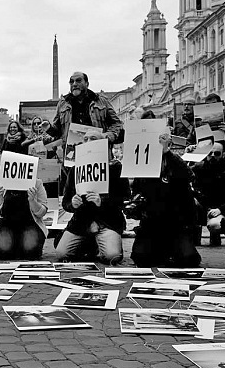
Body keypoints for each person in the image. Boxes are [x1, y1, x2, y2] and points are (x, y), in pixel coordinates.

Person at [56, 130, 130, 264]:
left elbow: (125, 198)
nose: (88, 142)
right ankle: (90, 245)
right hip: (81, 223)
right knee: (61, 253)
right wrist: (73, 203)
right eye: (85, 139)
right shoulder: (75, 170)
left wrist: (102, 201)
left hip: (107, 222)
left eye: (93, 138)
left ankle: (101, 244)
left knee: (112, 256)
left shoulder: (116, 168)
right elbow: (66, 202)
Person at [130, 131, 201, 268]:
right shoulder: (143, 163)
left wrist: (166, 152)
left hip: (175, 221)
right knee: (141, 258)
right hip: (151, 221)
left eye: (163, 140)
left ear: (169, 143)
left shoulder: (174, 161)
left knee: (188, 259)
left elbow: (188, 176)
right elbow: (137, 191)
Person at [43, 72, 123, 190]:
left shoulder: (101, 101)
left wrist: (106, 136)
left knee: (98, 189)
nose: (74, 84)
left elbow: (117, 123)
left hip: (98, 154)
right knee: (76, 191)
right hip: (73, 156)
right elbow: (58, 131)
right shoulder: (63, 103)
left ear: (87, 83)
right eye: (71, 82)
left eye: (78, 81)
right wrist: (49, 128)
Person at [0, 180, 48, 260]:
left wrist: (32, 201)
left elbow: (42, 212)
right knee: (3, 251)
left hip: (30, 225)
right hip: (6, 225)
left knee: (30, 251)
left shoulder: (36, 183)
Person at [193, 142, 225, 247]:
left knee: (215, 225)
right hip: (201, 207)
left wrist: (221, 209)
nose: (213, 156)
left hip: (218, 209)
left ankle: (215, 238)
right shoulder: (198, 168)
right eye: (210, 153)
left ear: (223, 154)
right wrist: (189, 156)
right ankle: (193, 241)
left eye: (217, 153)